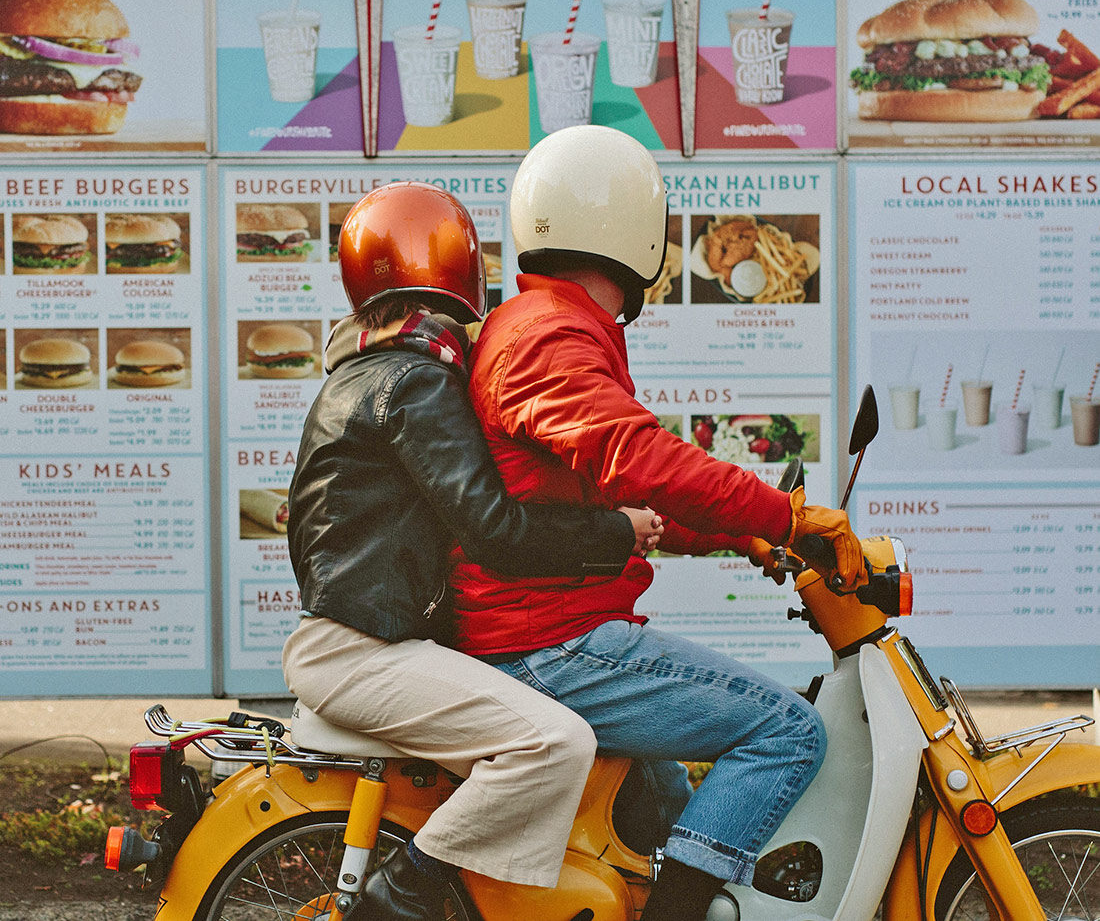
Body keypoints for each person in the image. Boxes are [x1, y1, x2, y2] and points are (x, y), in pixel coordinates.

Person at [451, 125, 868, 921]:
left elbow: (610, 498)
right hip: (550, 642)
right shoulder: (550, 336)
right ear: (636, 234)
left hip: (546, 628)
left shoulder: (543, 323)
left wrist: (740, 537)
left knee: (664, 796)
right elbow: (637, 459)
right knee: (787, 730)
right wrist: (787, 516)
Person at [282, 180, 664, 921]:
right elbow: (496, 533)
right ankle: (400, 896)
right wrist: (615, 532)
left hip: (350, 641)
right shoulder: (420, 382)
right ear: (466, 273)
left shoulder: (358, 371)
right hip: (366, 651)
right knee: (554, 743)